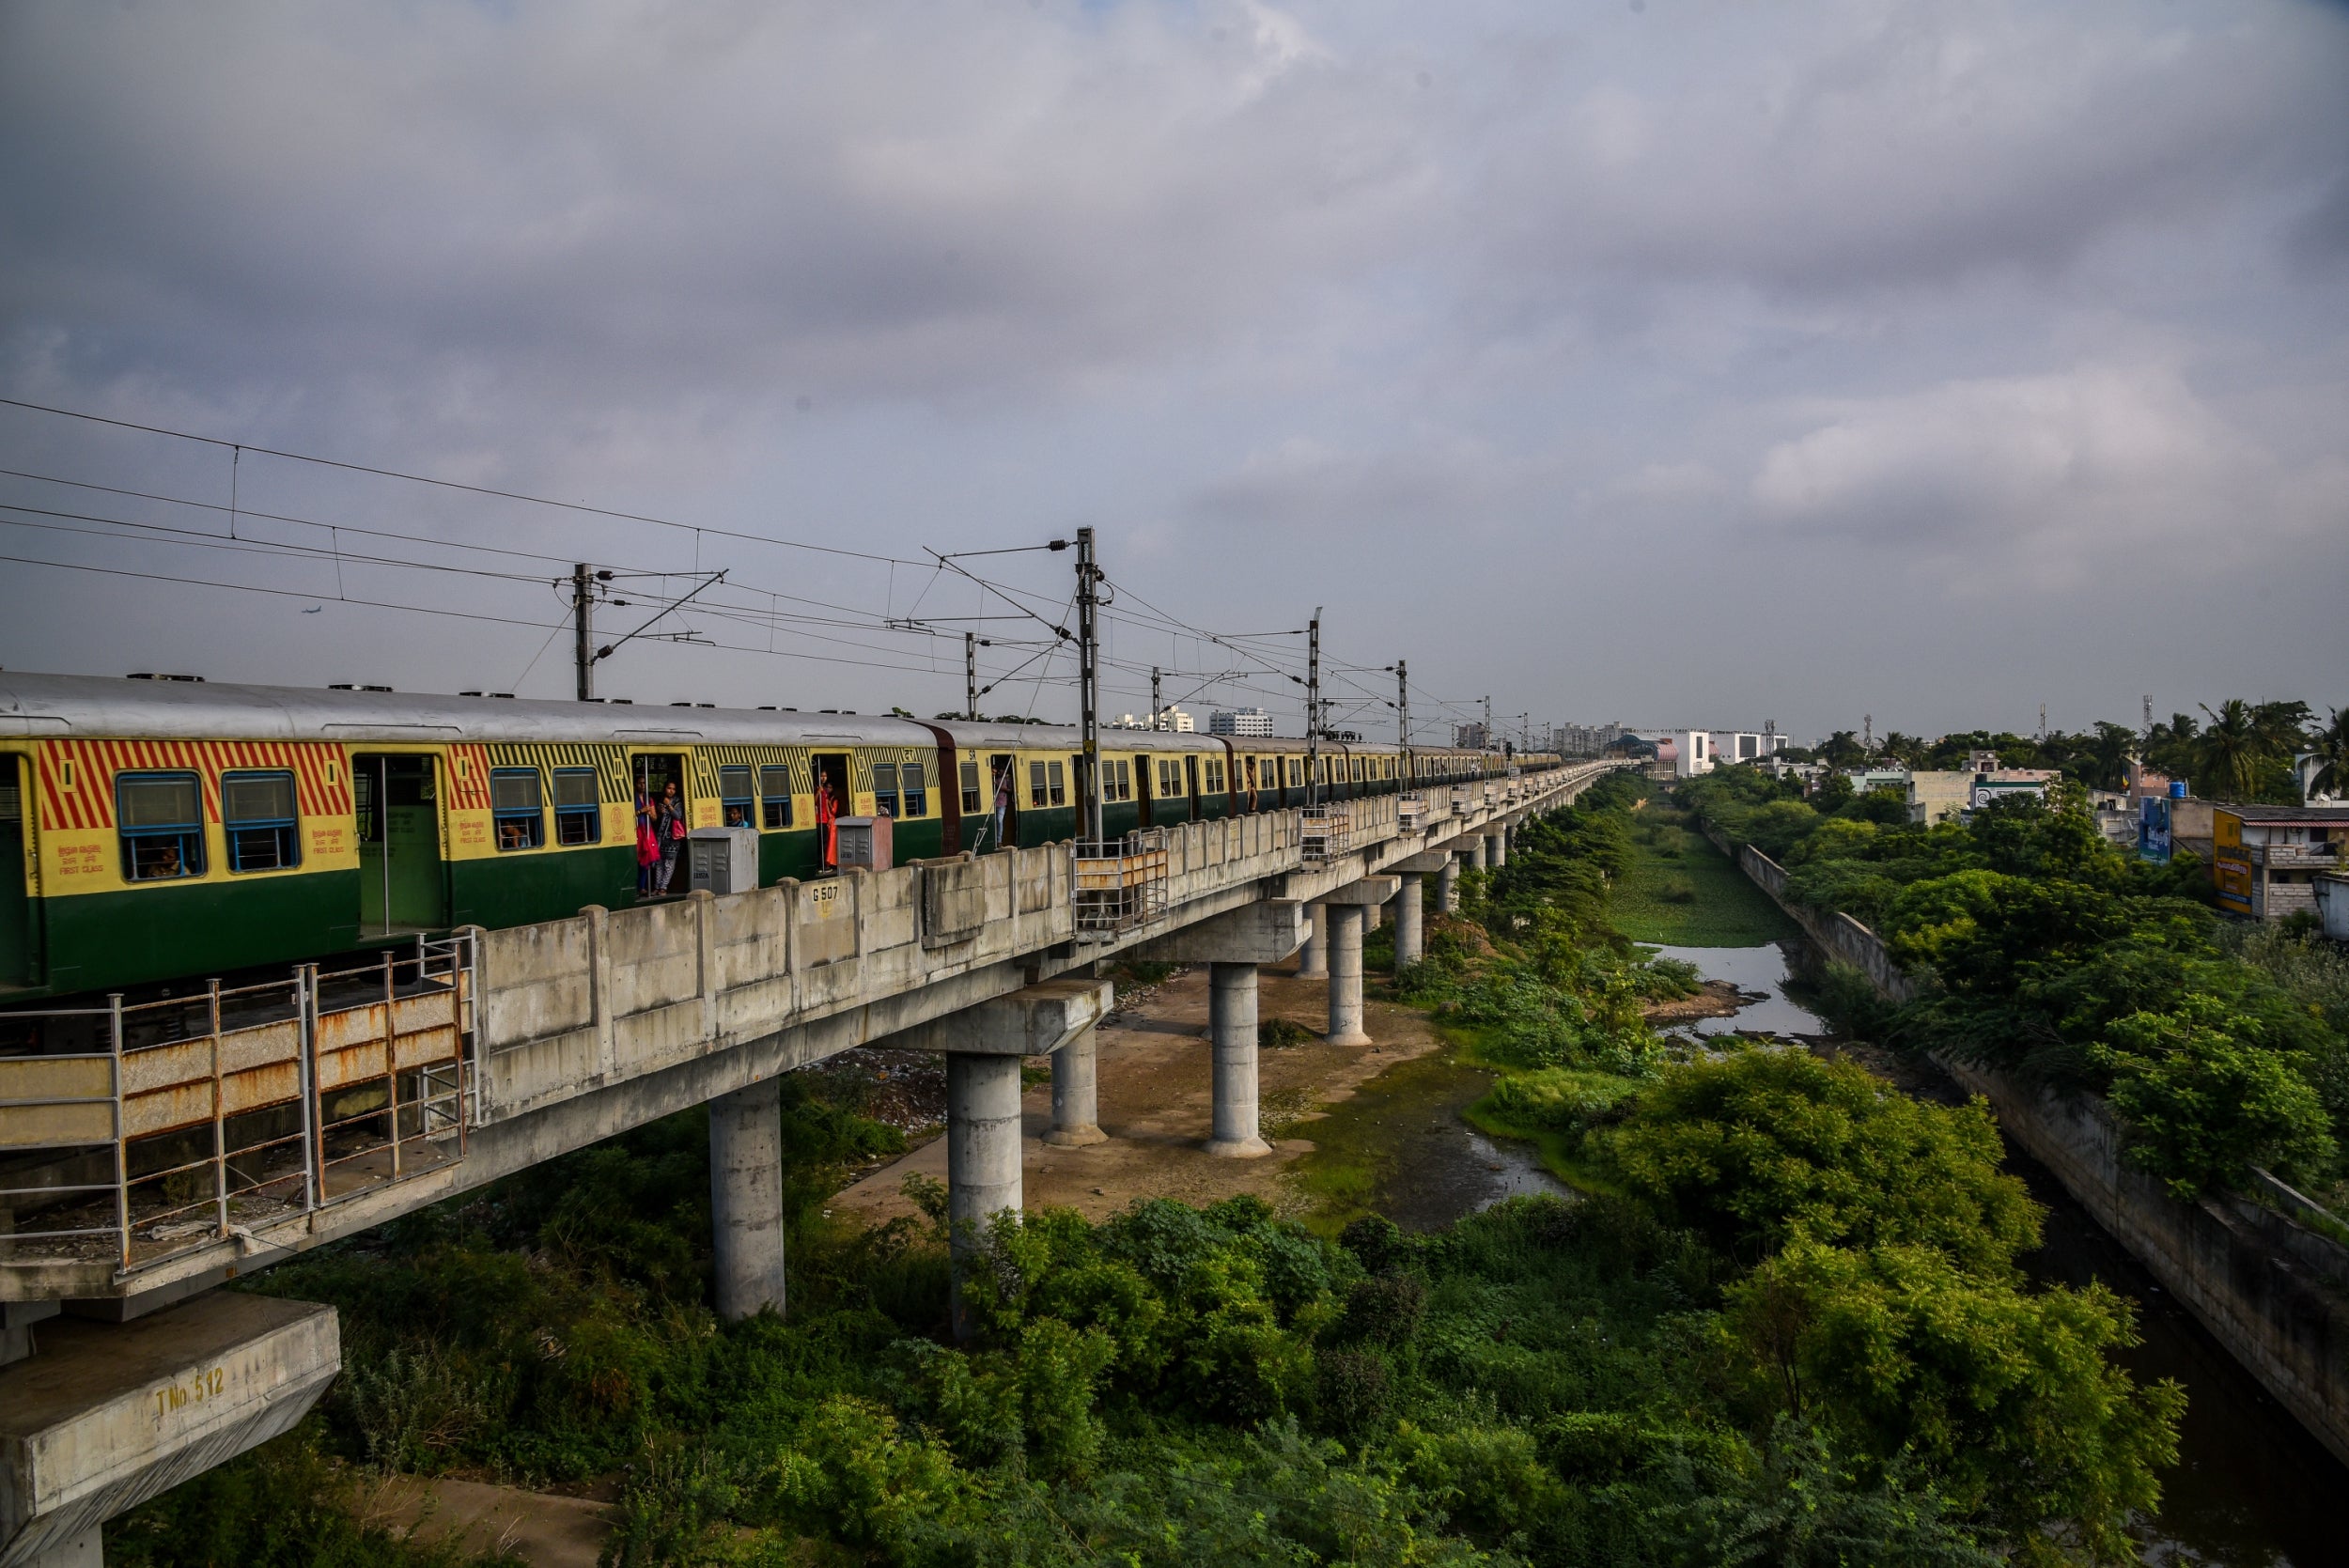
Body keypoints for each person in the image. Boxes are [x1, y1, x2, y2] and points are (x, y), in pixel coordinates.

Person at [655, 781, 687, 894]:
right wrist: (659, 811)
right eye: (669, 788)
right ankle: (657, 886)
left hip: (673, 838)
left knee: (669, 863)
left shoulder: (678, 802)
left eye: (673, 789)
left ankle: (664, 887)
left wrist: (669, 805)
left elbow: (678, 816)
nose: (671, 791)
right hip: (660, 837)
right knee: (659, 862)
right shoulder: (660, 801)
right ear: (665, 789)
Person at [815, 770, 839, 871]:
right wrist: (818, 792)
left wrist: (829, 817)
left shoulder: (824, 791)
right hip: (819, 820)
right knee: (821, 843)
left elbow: (827, 807)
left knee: (825, 843)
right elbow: (814, 802)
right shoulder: (818, 789)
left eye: (825, 776)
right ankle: (822, 866)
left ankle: (825, 865)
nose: (823, 778)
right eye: (821, 776)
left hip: (825, 819)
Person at [635, 791, 658, 895]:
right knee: (639, 857)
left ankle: (642, 886)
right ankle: (638, 887)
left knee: (648, 857)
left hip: (647, 830)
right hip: (637, 830)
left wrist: (649, 813)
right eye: (640, 783)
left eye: (644, 783)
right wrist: (641, 811)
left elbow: (654, 818)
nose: (643, 785)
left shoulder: (649, 799)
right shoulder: (633, 798)